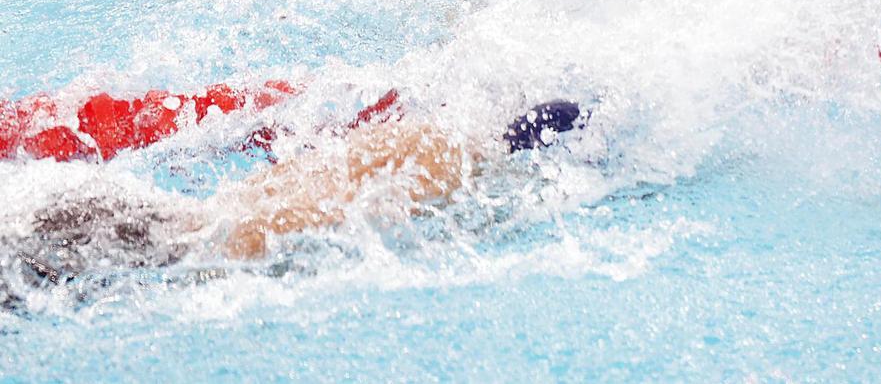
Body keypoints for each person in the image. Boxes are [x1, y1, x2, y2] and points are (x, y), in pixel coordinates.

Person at [0, 100, 588, 308]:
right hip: (39, 220)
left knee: (218, 233)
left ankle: (484, 150)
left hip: (42, 228)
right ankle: (486, 149)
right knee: (218, 229)